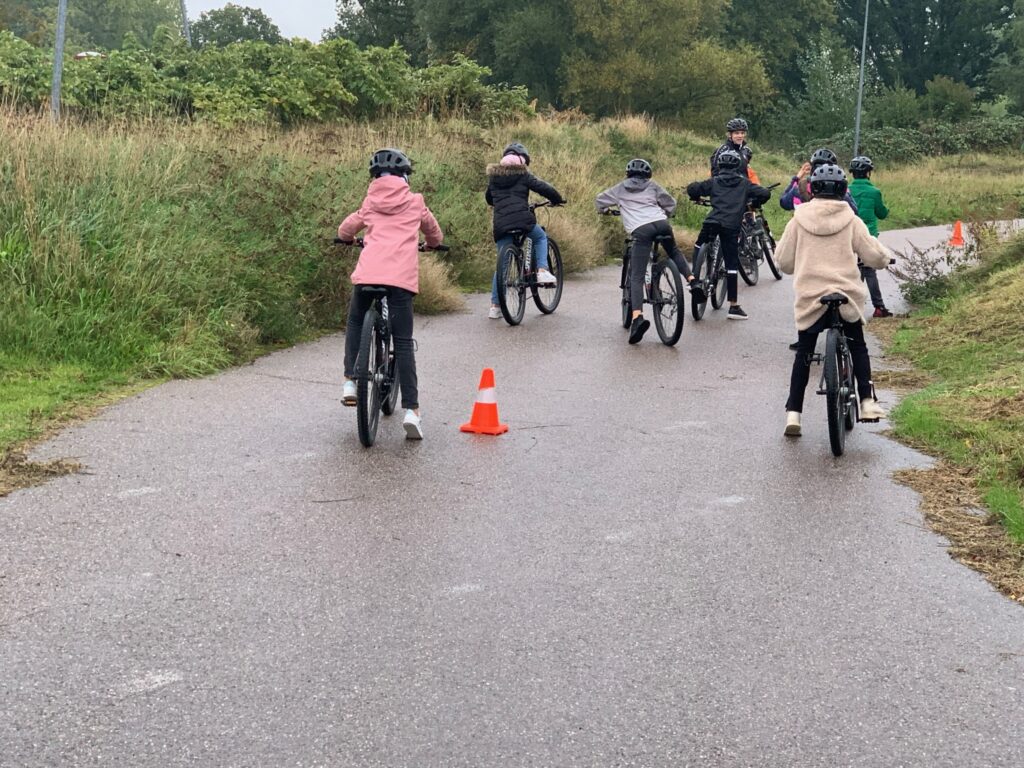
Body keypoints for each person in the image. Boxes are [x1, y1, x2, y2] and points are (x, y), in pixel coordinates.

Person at [774, 164, 893, 437]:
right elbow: (874, 255)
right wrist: (885, 258)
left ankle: (794, 413)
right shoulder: (851, 220)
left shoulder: (798, 220)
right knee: (858, 346)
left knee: (804, 353)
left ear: (812, 189)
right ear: (842, 191)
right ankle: (867, 402)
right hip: (845, 296)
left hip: (810, 298)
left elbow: (783, 262)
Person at [337, 147, 444, 440]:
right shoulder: (415, 202)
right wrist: (432, 244)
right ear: (405, 176)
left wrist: (348, 239)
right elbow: (435, 234)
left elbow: (346, 229)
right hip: (400, 281)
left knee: (356, 321)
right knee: (403, 343)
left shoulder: (370, 202)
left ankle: (350, 380)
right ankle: (412, 411)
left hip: (368, 275)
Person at [596, 158, 704, 344]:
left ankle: (637, 318)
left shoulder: (620, 188)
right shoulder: (653, 186)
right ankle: (693, 282)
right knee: (674, 252)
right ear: (648, 175)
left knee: (637, 276)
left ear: (628, 174)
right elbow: (670, 203)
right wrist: (667, 213)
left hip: (641, 229)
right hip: (661, 224)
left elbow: (599, 200)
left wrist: (605, 211)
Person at [687, 149, 771, 321]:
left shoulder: (714, 182)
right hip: (731, 226)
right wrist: (753, 202)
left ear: (719, 165)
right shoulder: (745, 183)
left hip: (712, 222)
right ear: (739, 165)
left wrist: (695, 195)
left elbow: (694, 188)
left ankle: (694, 279)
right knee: (732, 264)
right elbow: (765, 193)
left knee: (699, 244)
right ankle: (733, 306)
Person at [486, 142, 565, 319]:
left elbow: (489, 199)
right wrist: (557, 199)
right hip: (523, 219)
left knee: (502, 267)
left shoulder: (493, 178)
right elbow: (543, 187)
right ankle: (543, 270)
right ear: (522, 162)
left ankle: (495, 306)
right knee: (540, 237)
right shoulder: (523, 175)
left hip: (501, 224)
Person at [848, 155, 893, 318]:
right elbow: (881, 214)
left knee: (851, 271)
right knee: (869, 271)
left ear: (852, 173)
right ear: (868, 173)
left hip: (849, 235)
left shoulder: (846, 190)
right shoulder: (875, 192)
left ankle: (852, 306)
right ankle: (879, 307)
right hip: (868, 237)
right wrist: (887, 210)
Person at [779, 148, 859, 213]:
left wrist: (796, 178)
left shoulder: (799, 188)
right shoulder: (839, 191)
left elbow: (784, 203)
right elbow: (854, 211)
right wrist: (845, 189)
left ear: (812, 168)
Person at [710, 117, 760, 183]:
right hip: (728, 190)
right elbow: (715, 174)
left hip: (744, 189)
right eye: (737, 133)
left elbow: (747, 173)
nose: (740, 136)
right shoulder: (721, 151)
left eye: (742, 133)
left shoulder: (746, 151)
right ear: (730, 135)